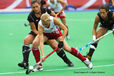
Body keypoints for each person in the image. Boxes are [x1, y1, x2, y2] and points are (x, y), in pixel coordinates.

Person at [18, 0, 74, 69]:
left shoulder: (46, 10)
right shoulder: (30, 16)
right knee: (26, 40)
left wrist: (54, 24)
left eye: (37, 6)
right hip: (37, 32)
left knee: (54, 46)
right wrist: (40, 35)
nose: (35, 9)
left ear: (40, 6)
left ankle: (67, 60)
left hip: (47, 32)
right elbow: (34, 29)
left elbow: (54, 17)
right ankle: (25, 62)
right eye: (33, 7)